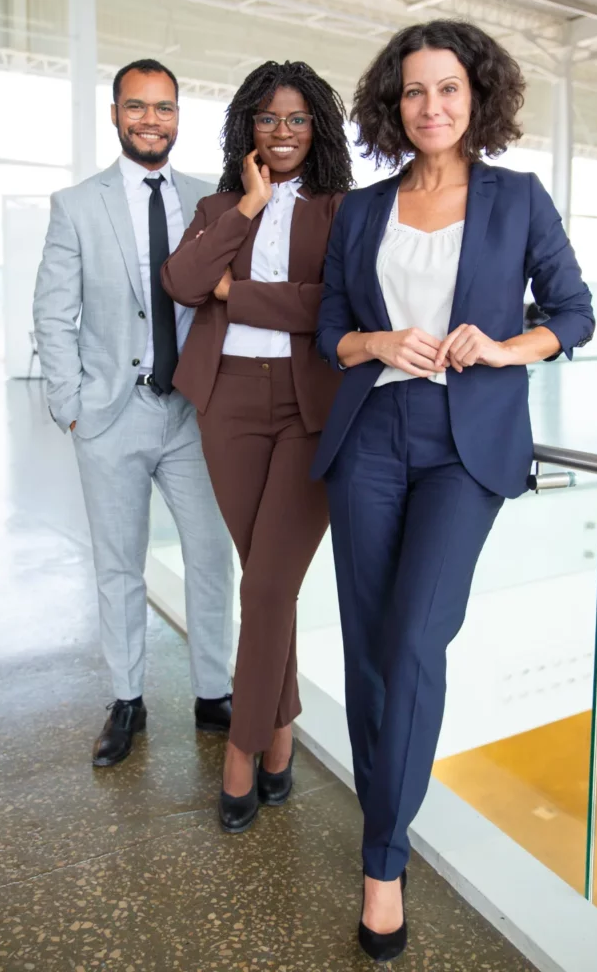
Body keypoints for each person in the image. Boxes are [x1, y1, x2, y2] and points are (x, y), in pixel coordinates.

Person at [312, 21, 595, 962]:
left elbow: (573, 311)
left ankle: (383, 855)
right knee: (366, 651)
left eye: (447, 90)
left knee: (413, 637)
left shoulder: (515, 198)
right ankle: (381, 852)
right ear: (392, 107)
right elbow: (329, 330)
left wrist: (503, 344)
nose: (430, 107)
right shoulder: (363, 210)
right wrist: (378, 342)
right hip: (369, 438)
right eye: (412, 93)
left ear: (476, 98)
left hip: (463, 446)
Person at [163, 60, 352, 832]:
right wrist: (247, 206)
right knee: (265, 582)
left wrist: (237, 295)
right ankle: (281, 736)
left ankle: (243, 753)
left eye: (297, 120)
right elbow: (181, 281)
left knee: (268, 587)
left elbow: (332, 305)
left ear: (318, 130)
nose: (282, 133)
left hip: (311, 408)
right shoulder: (218, 205)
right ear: (247, 127)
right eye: (269, 119)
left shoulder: (344, 211)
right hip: (228, 404)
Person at [33, 59, 234, 769]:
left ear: (179, 116)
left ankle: (215, 693)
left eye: (165, 108)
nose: (151, 120)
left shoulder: (213, 201)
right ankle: (127, 699)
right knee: (120, 567)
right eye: (137, 107)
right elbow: (53, 315)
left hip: (194, 414)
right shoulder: (76, 205)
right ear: (115, 114)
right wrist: (70, 407)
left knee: (212, 557)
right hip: (111, 416)